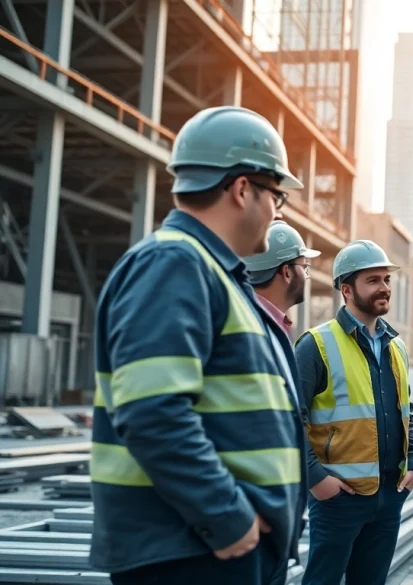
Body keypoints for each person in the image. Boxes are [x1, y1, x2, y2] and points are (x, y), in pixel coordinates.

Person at [90, 106, 307, 585]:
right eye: (276, 197)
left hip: (211, 546)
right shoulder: (175, 264)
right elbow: (153, 411)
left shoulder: (211, 272)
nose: (276, 213)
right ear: (242, 189)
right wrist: (229, 518)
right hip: (192, 551)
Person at [294, 239, 413, 585]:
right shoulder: (316, 344)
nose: (384, 288)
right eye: (373, 280)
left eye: (386, 280)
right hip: (339, 497)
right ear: (346, 290)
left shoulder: (395, 346)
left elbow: (406, 409)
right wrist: (316, 480)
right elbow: (290, 418)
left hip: (389, 495)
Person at [242, 220, 321, 336]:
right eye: (304, 267)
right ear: (287, 272)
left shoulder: (246, 315)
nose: (306, 276)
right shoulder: (255, 327)